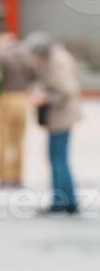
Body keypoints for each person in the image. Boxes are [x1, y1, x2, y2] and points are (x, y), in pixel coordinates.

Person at [28, 34, 81, 215]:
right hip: (59, 117)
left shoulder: (57, 61)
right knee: (58, 159)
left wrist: (45, 98)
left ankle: (62, 202)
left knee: (58, 160)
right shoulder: (57, 57)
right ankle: (66, 200)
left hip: (61, 117)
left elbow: (66, 90)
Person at [0, 32, 36, 190]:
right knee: (19, 141)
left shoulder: (0, 56)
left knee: (3, 140)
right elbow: (33, 75)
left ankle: (3, 178)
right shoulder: (26, 56)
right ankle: (17, 178)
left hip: (5, 97)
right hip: (23, 98)